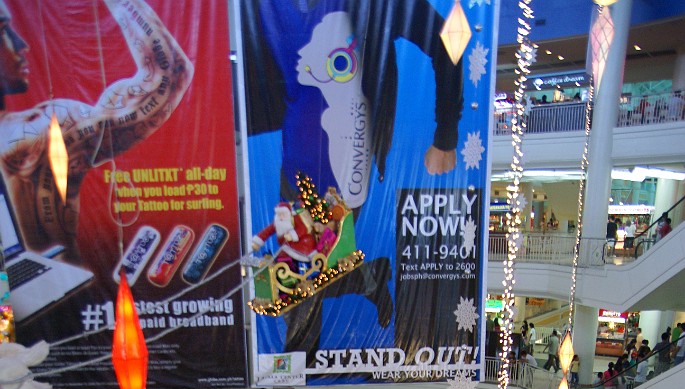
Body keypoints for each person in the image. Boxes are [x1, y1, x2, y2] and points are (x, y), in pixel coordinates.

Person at [242, 0, 464, 364]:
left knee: (302, 280)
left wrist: (446, 134)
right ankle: (367, 278)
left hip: (345, 162)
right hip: (293, 155)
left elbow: (451, 35)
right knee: (300, 271)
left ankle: (297, 363)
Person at [0, 0, 194, 264]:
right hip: (58, 296)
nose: (22, 45)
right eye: (3, 32)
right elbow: (169, 75)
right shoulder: (38, 127)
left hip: (24, 295)